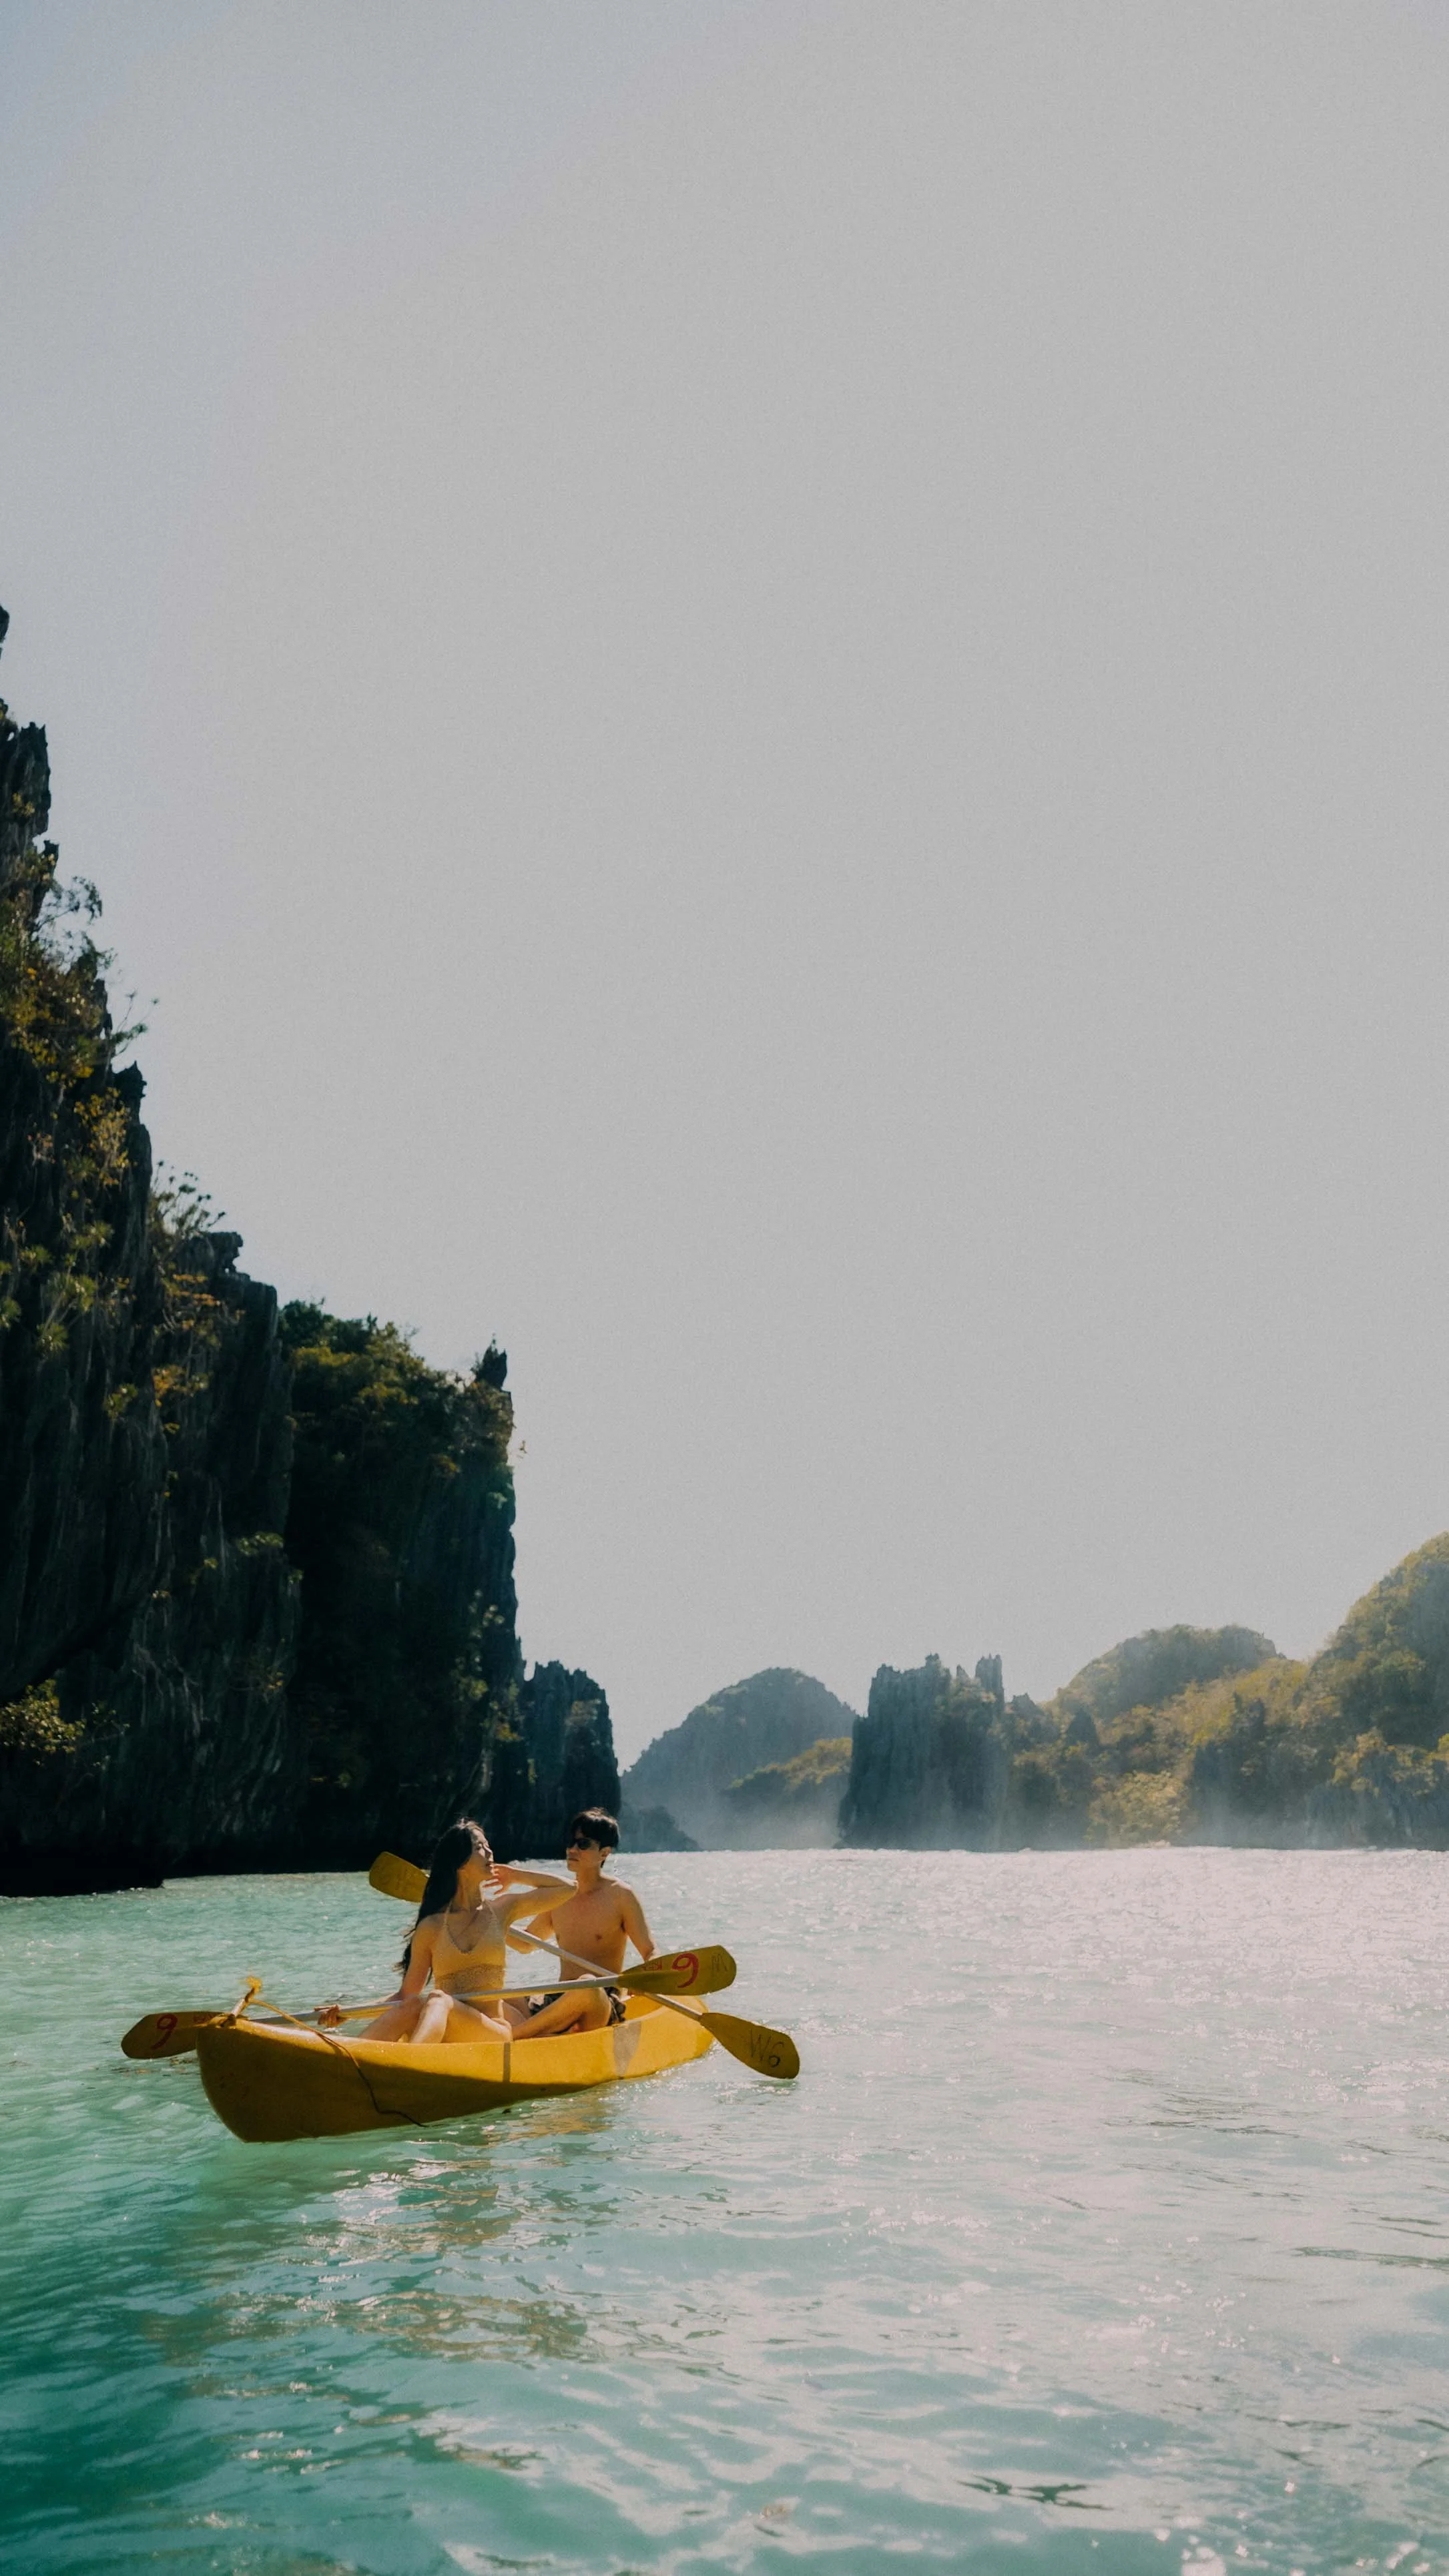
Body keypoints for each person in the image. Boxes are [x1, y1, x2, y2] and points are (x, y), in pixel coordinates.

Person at [358, 1819, 575, 2046]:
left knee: (439, 2000)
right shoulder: (430, 1927)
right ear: (460, 1863)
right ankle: (351, 2053)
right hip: (449, 2030)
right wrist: (343, 2013)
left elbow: (568, 1889)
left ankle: (412, 2057)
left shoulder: (502, 1910)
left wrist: (515, 1875)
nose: (490, 1851)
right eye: (480, 1847)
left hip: (493, 2031)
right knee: (413, 2005)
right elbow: (405, 1995)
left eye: (487, 1845)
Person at [503, 1808, 655, 2039]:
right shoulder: (559, 1897)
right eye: (571, 1843)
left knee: (587, 1985)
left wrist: (647, 1976)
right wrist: (491, 1921)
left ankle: (516, 2036)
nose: (572, 1850)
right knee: (497, 1995)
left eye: (583, 1844)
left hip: (601, 2001)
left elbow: (650, 1950)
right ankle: (538, 2035)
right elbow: (527, 1943)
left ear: (604, 1853)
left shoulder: (621, 1896)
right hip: (559, 1999)